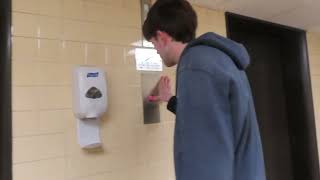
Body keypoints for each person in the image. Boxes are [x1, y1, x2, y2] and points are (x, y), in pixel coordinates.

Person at [143, 0, 266, 180]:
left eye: (153, 44)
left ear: (162, 37)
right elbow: (216, 120)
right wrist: (170, 100)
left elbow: (206, 156)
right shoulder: (218, 60)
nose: (156, 51)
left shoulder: (195, 66)